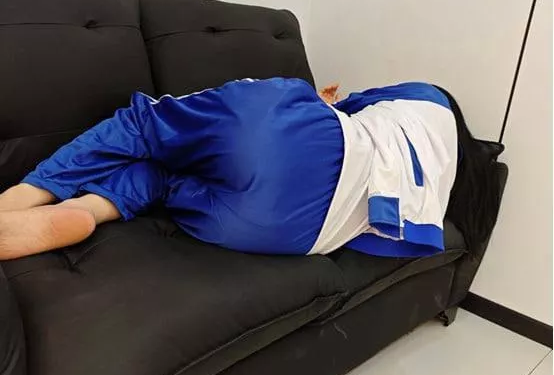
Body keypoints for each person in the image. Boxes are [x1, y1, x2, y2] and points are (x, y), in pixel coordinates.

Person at [0, 78, 500, 261]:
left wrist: (323, 102)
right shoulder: (442, 179)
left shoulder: (428, 96)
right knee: (164, 178)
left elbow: (350, 107)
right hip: (296, 233)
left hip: (306, 144)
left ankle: (28, 193)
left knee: (144, 123)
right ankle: (91, 211)